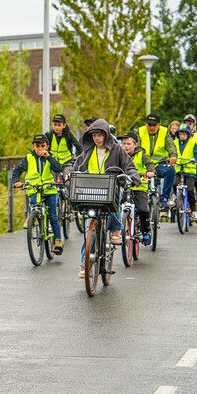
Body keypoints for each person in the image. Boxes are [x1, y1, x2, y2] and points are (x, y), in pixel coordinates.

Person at [73, 118, 140, 277]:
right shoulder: (88, 150)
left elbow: (129, 166)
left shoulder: (117, 149)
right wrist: (69, 174)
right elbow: (77, 165)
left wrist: (133, 177)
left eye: (99, 135)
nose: (96, 138)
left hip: (111, 186)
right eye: (94, 135)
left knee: (117, 196)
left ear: (106, 135)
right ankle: (84, 264)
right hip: (93, 189)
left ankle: (115, 230)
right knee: (90, 231)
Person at [11, 134, 64, 254]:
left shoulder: (50, 157)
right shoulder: (29, 158)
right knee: (34, 202)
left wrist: (49, 157)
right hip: (34, 188)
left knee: (52, 215)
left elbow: (59, 168)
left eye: (43, 146)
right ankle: (32, 218)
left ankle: (57, 241)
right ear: (33, 146)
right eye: (37, 146)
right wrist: (16, 182)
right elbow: (17, 171)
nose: (40, 148)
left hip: (49, 189)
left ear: (47, 146)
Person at [120, 132, 155, 245]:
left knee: (143, 210)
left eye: (128, 143)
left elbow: (150, 164)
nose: (125, 146)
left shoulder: (142, 154)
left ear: (135, 145)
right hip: (124, 187)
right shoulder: (120, 154)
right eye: (124, 143)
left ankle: (146, 232)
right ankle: (117, 230)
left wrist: (150, 172)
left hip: (140, 187)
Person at [137, 112, 177, 210]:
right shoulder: (139, 131)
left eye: (154, 125)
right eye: (149, 124)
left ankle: (164, 198)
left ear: (159, 124)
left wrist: (173, 155)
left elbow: (171, 145)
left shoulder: (164, 132)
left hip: (159, 164)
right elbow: (135, 146)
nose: (151, 127)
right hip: (143, 165)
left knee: (171, 170)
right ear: (145, 124)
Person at [174, 124, 197, 219]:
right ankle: (178, 200)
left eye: (184, 134)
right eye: (180, 134)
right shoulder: (174, 143)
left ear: (188, 134)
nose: (182, 136)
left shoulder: (192, 143)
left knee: (190, 190)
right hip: (178, 169)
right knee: (174, 184)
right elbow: (169, 152)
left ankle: (193, 210)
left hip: (190, 171)